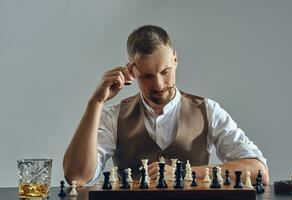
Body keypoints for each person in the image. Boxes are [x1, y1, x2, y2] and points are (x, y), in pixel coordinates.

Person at [63, 25, 269, 186]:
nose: (159, 85)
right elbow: (77, 177)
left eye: (165, 72)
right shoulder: (113, 116)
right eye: (147, 76)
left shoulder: (208, 110)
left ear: (176, 60)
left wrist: (186, 174)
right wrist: (95, 103)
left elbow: (259, 170)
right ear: (131, 72)